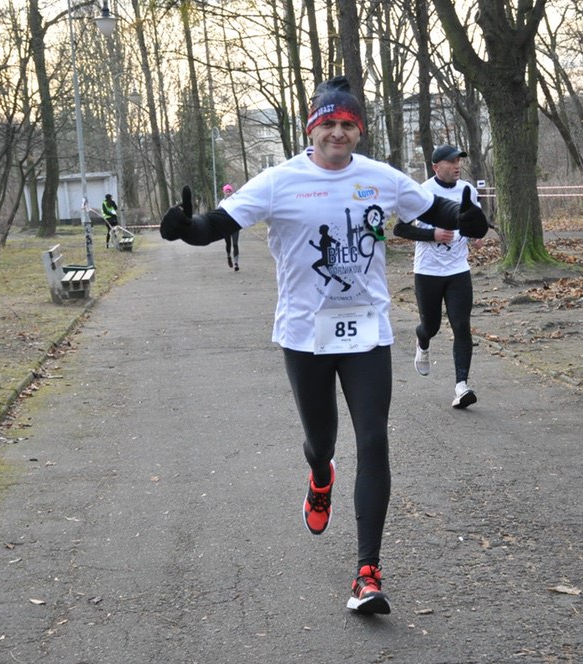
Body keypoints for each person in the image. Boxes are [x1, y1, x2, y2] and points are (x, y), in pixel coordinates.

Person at [159, 76, 488, 615]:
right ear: (311, 129)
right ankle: (319, 476)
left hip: (367, 331)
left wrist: (467, 217)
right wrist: (185, 228)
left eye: (348, 125)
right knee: (321, 441)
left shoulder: (380, 177)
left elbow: (432, 208)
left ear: (359, 131)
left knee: (374, 440)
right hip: (304, 334)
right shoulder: (280, 181)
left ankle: (367, 573)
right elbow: (216, 224)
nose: (338, 133)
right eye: (328, 124)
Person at [393, 145, 484, 409]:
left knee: (461, 325)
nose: (457, 166)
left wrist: (476, 235)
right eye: (451, 162)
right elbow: (400, 229)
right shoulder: (421, 193)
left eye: (458, 161)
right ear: (435, 167)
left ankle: (461, 386)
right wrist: (431, 235)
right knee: (430, 326)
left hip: (458, 270)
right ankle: (422, 341)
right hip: (428, 271)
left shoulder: (467, 190)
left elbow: (474, 222)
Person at [221, 184, 240, 270]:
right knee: (228, 243)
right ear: (224, 192)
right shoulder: (221, 203)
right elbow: (218, 214)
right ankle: (229, 257)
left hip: (235, 225)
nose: (228, 193)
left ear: (231, 192)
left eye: (229, 191)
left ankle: (236, 263)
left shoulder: (235, 201)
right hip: (226, 226)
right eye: (226, 191)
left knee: (235, 244)